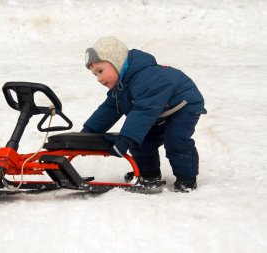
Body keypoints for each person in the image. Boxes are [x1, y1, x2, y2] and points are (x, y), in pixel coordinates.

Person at [82, 36, 206, 192]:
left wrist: (126, 139)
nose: (99, 79)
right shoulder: (121, 86)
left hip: (183, 106)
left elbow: (144, 110)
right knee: (142, 141)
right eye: (95, 75)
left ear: (116, 63)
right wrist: (89, 132)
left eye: (100, 71)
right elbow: (109, 109)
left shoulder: (147, 77)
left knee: (175, 140)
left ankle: (187, 179)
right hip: (160, 111)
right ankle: (149, 175)